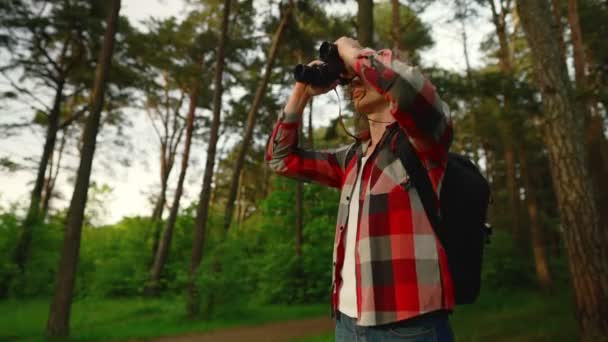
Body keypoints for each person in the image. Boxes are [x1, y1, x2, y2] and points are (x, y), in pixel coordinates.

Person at [266, 36, 455, 342]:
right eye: (349, 79)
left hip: (409, 326)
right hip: (347, 324)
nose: (352, 82)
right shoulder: (352, 159)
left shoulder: (423, 141)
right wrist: (302, 90)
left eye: (359, 75)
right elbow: (280, 159)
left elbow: (407, 91)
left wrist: (349, 51)